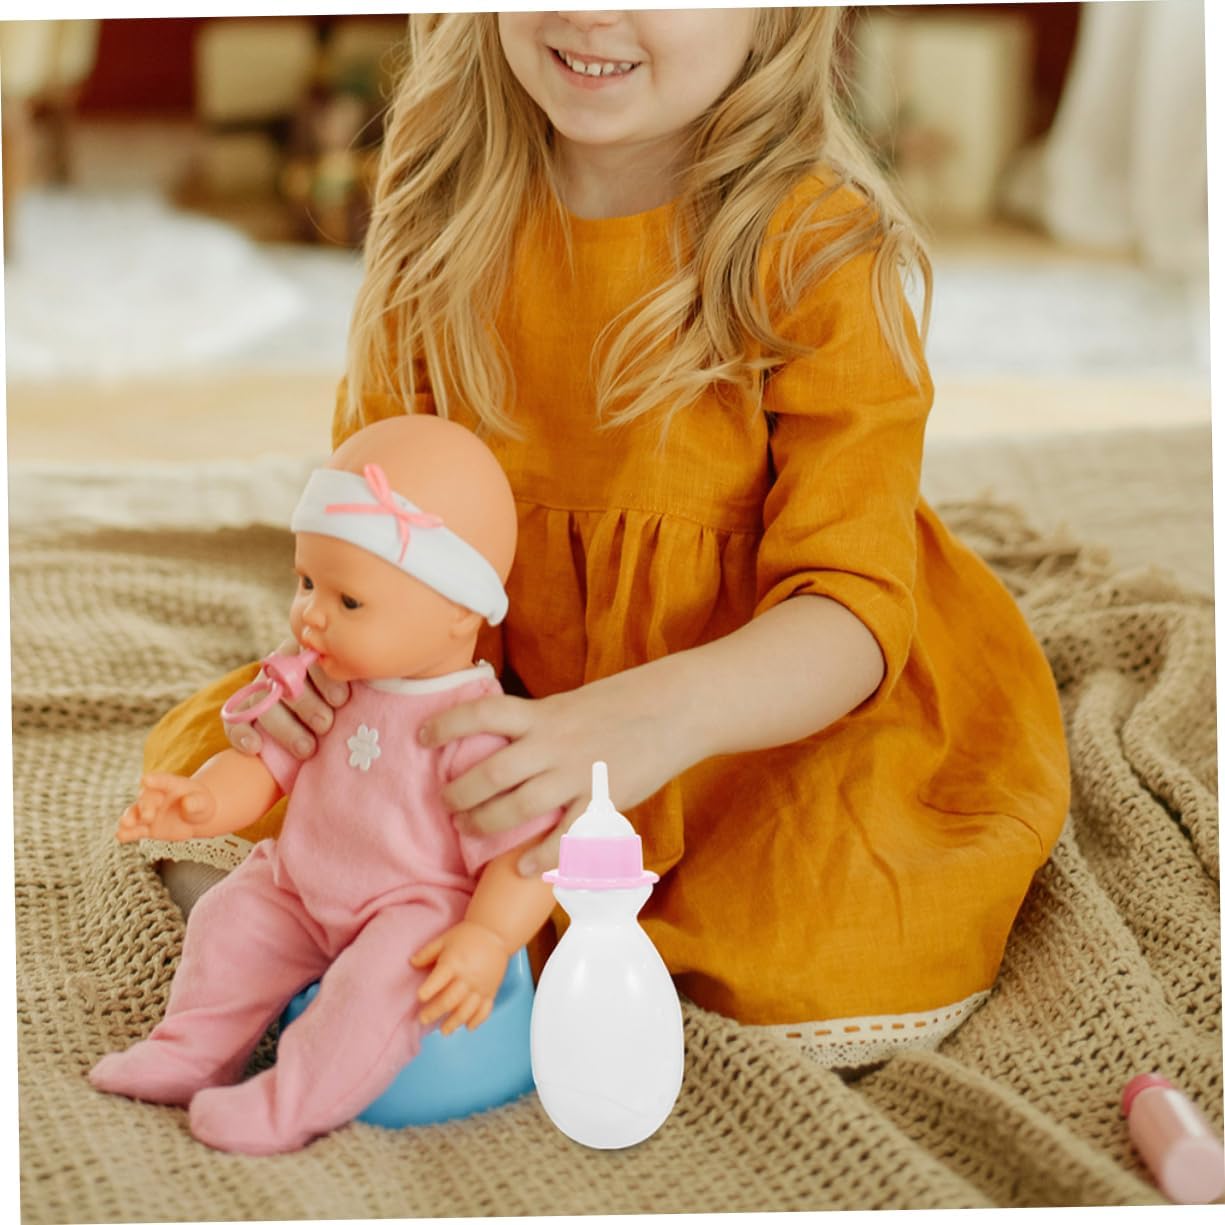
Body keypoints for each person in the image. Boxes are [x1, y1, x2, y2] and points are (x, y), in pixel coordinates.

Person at [137, 9, 1070, 1067]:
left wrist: (650, 721)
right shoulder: (443, 209)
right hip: (496, 687)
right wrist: (339, 657)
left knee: (832, 925)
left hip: (752, 716)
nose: (590, 14)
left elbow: (848, 610)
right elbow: (385, 523)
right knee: (229, 795)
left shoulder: (817, 247)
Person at [91, 416, 560, 1154]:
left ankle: (292, 1099)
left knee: (378, 989)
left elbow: (526, 853)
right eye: (307, 582)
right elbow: (263, 767)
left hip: (411, 911)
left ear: (458, 608)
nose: (311, 615)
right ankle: (190, 1049)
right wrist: (202, 801)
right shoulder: (324, 681)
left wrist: (489, 936)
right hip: (300, 885)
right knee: (229, 919)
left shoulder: (474, 727)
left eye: (348, 602)